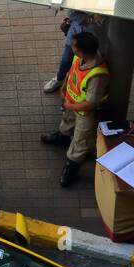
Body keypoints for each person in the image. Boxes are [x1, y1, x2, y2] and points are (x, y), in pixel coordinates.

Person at [40, 30, 109, 187]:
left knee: (80, 140)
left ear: (81, 51)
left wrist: (68, 105)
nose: (71, 46)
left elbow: (90, 103)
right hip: (71, 104)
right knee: (68, 123)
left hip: (85, 112)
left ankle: (72, 166)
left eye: (74, 46)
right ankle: (63, 137)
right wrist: (64, 86)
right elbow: (72, 73)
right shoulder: (80, 58)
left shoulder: (97, 76)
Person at [43, 10, 104, 94]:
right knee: (67, 57)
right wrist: (90, 18)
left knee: (90, 59)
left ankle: (86, 84)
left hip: (92, 35)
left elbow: (102, 18)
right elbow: (71, 12)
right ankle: (60, 79)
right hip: (76, 31)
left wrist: (91, 18)